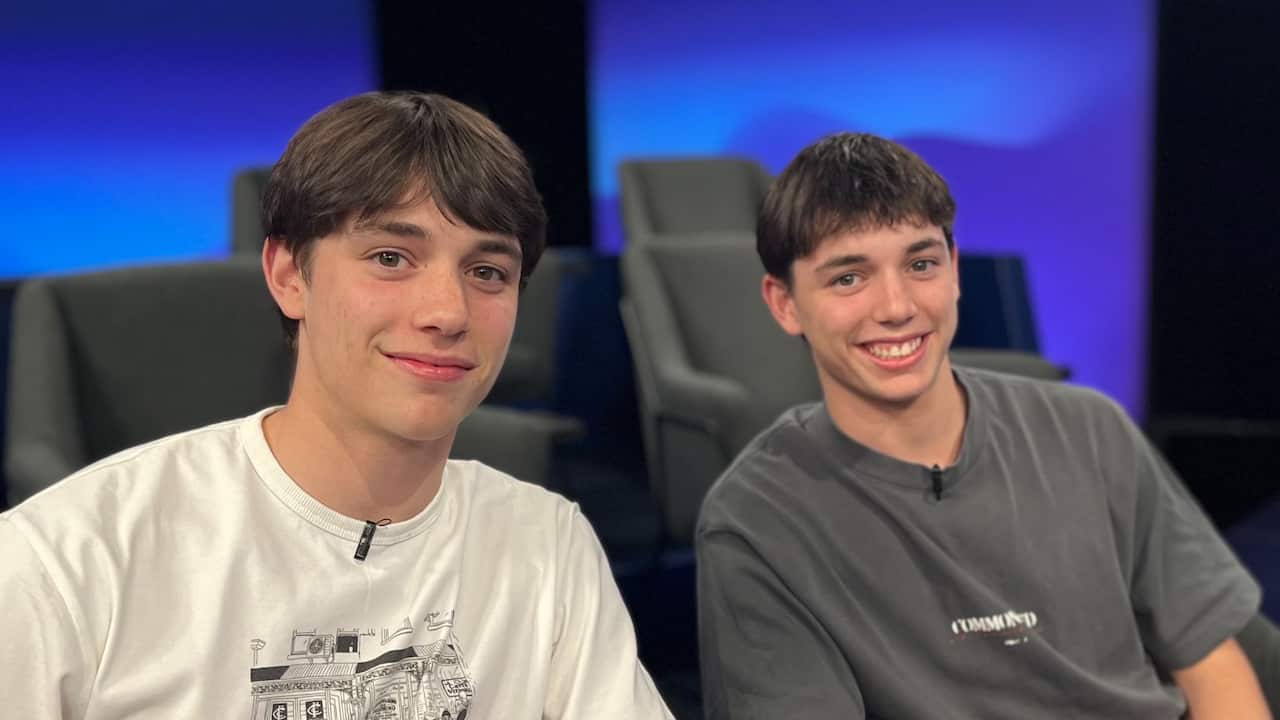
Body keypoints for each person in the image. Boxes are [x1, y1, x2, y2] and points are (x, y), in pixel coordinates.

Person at [0, 91, 672, 719]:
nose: (447, 311)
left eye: (487, 272)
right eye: (390, 257)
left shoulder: (546, 544)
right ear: (289, 275)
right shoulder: (66, 561)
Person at [696, 132, 1270, 718]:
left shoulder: (1091, 429)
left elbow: (1213, 663)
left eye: (921, 264)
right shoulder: (757, 521)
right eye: (849, 278)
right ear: (784, 303)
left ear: (954, 271)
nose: (896, 307)